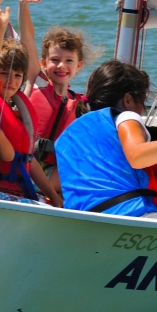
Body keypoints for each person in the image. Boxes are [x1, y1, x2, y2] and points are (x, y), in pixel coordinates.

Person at [55, 60, 157, 218]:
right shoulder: (126, 116)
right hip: (131, 215)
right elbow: (137, 157)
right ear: (128, 100)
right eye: (142, 102)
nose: (141, 111)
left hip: (82, 220)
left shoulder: (68, 136)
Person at [0, 39, 62, 205]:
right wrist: (0, 27)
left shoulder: (17, 113)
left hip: (20, 189)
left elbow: (28, 158)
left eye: (17, 75)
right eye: (4, 73)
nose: (11, 81)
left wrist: (53, 195)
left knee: (65, 203)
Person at [27, 26, 95, 192]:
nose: (61, 65)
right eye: (55, 60)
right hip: (32, 169)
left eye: (69, 60)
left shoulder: (79, 104)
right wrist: (24, 5)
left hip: (56, 170)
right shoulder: (40, 85)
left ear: (78, 65)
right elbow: (27, 42)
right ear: (43, 63)